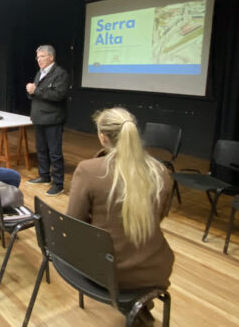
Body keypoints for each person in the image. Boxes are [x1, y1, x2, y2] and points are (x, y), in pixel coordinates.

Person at [66, 107, 174, 321]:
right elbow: (158, 218)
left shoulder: (89, 170)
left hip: (104, 272)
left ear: (102, 137)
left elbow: (73, 225)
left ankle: (135, 309)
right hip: (154, 269)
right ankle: (139, 309)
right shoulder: (161, 171)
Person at [26, 44, 71, 196]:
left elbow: (58, 95)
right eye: (37, 57)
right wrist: (31, 92)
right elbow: (37, 94)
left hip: (53, 119)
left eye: (42, 56)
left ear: (51, 57)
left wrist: (36, 90)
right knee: (41, 150)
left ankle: (58, 184)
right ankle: (44, 176)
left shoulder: (61, 74)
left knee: (55, 153)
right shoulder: (39, 73)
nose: (39, 60)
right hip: (39, 117)